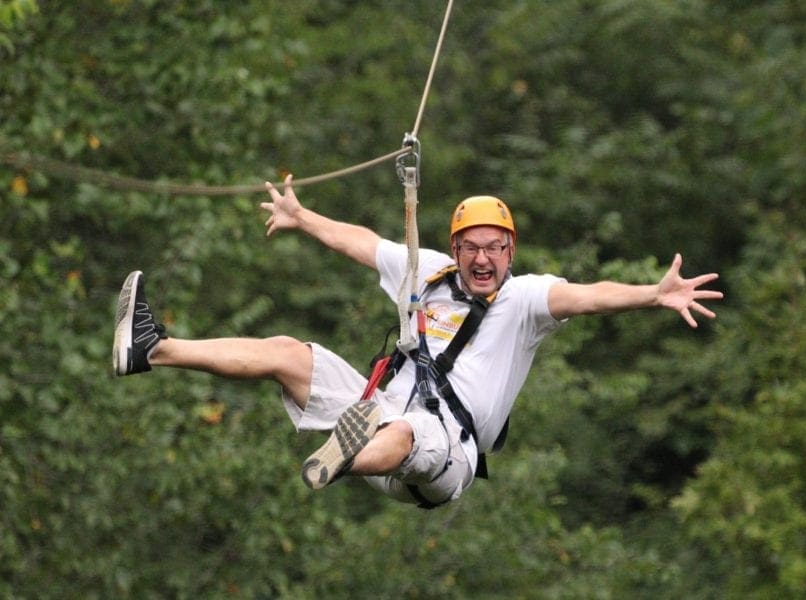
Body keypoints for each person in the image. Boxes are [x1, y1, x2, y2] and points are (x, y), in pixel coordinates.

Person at [112, 174, 723, 508]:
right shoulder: (427, 271)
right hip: (381, 410)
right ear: (455, 249)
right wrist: (303, 219)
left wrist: (653, 292)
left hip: (442, 453)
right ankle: (152, 348)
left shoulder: (527, 300)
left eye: (495, 248)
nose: (482, 259)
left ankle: (342, 458)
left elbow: (589, 296)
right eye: (471, 248)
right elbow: (361, 242)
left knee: (402, 434)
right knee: (287, 353)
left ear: (511, 252)